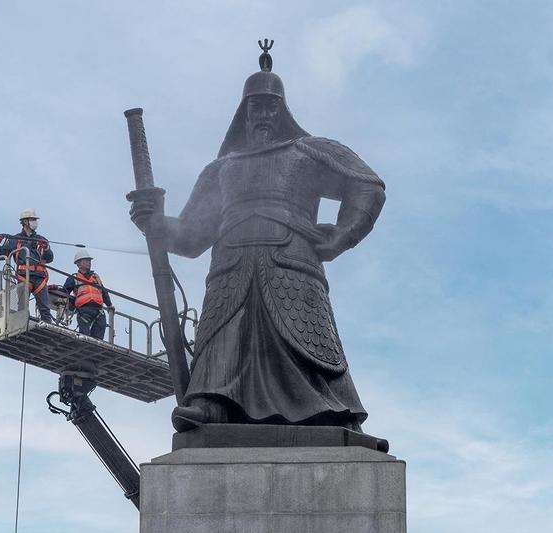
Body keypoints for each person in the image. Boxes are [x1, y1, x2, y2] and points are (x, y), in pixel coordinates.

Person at [129, 49, 386, 432]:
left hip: (292, 261)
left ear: (283, 111)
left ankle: (326, 410)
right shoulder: (221, 169)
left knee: (305, 337)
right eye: (256, 107)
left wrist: (343, 234)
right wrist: (154, 222)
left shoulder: (309, 151)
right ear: (244, 112)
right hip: (230, 266)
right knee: (223, 335)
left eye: (271, 106)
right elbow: (191, 236)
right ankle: (213, 401)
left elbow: (367, 186)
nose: (263, 114)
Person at [0, 208, 55, 323]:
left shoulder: (41, 239)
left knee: (45, 308)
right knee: (22, 307)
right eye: (33, 219)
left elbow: (49, 258)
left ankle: (47, 326)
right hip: (24, 276)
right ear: (25, 221)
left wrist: (46, 248)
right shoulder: (15, 240)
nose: (35, 222)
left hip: (40, 277)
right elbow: (1, 254)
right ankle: (22, 325)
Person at [63, 249, 114, 340]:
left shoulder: (95, 277)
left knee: (98, 340)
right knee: (84, 338)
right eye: (86, 260)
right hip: (84, 311)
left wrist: (109, 305)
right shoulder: (74, 278)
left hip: (98, 311)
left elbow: (104, 292)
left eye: (89, 260)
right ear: (78, 263)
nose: (89, 262)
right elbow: (65, 291)